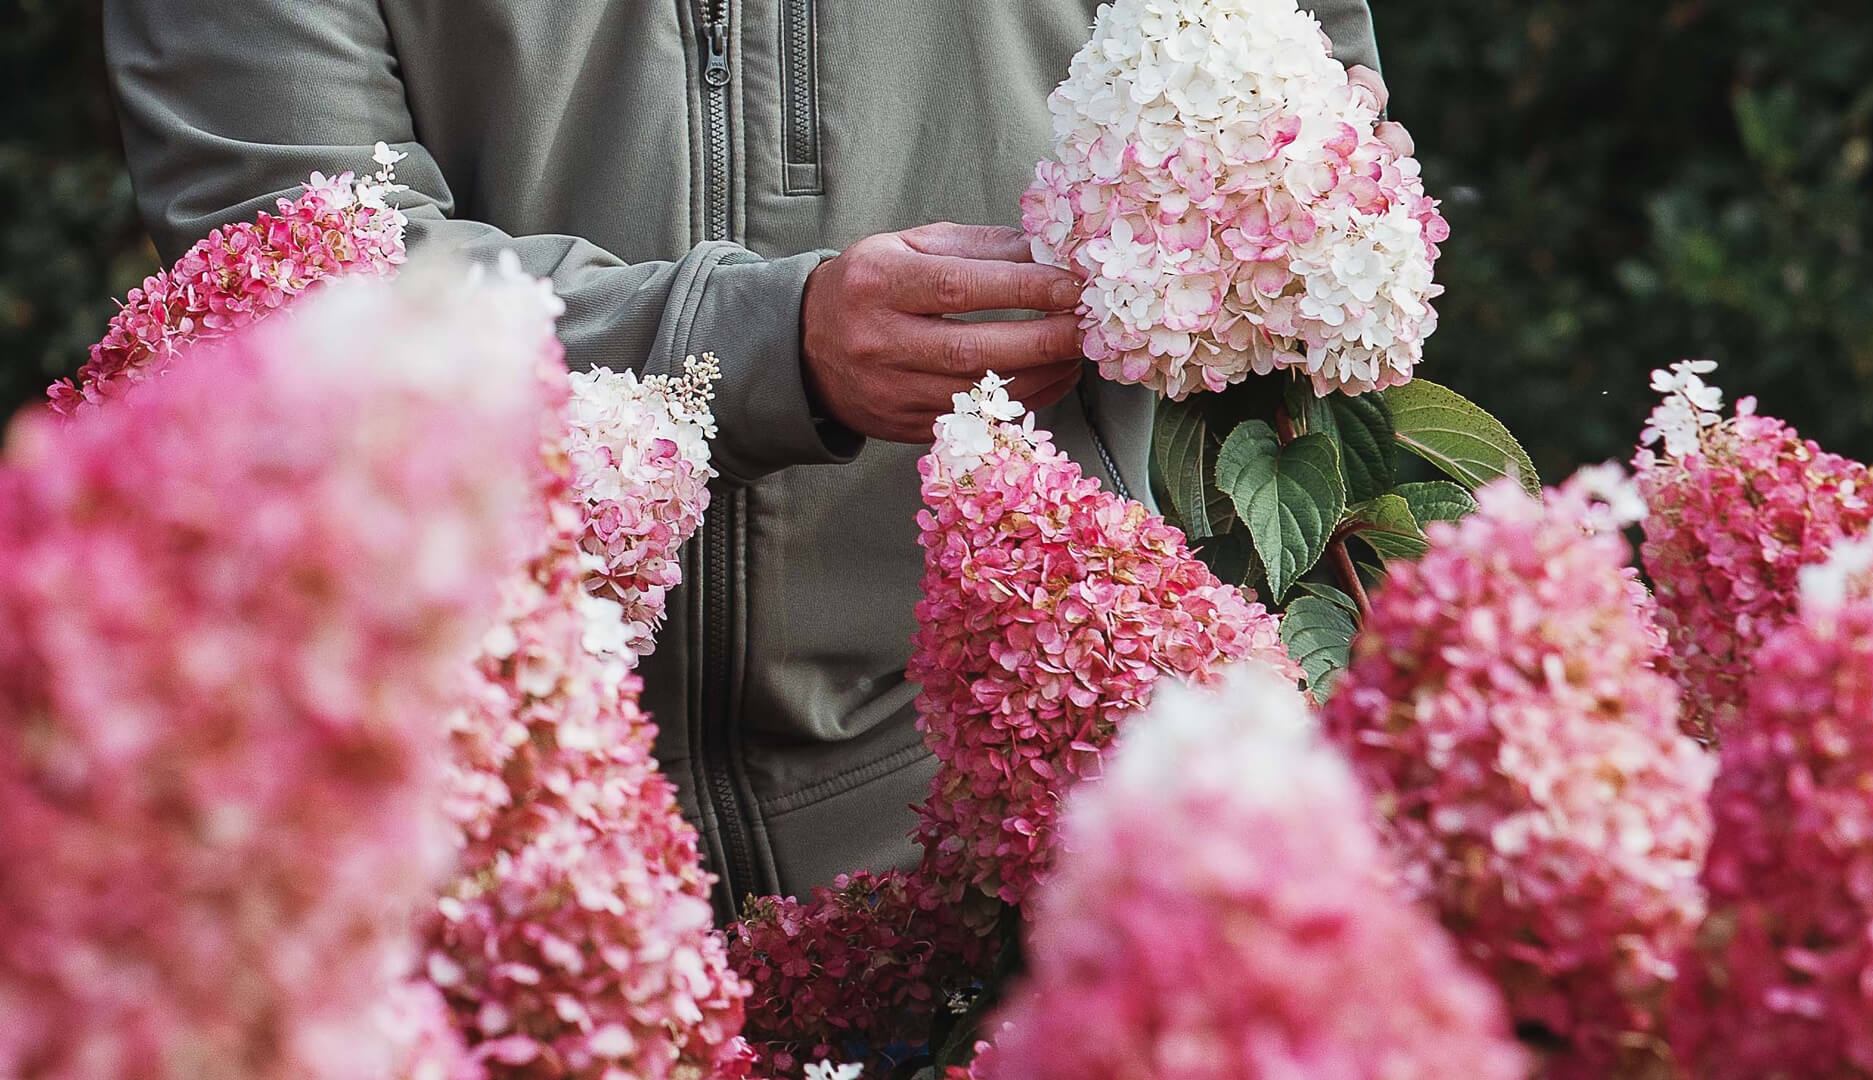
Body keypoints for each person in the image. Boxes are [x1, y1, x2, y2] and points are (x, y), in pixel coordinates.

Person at [104, 0, 1382, 922]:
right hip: (476, 848)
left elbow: (1297, 101)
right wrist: (766, 345)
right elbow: (279, 266)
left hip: (1026, 824)